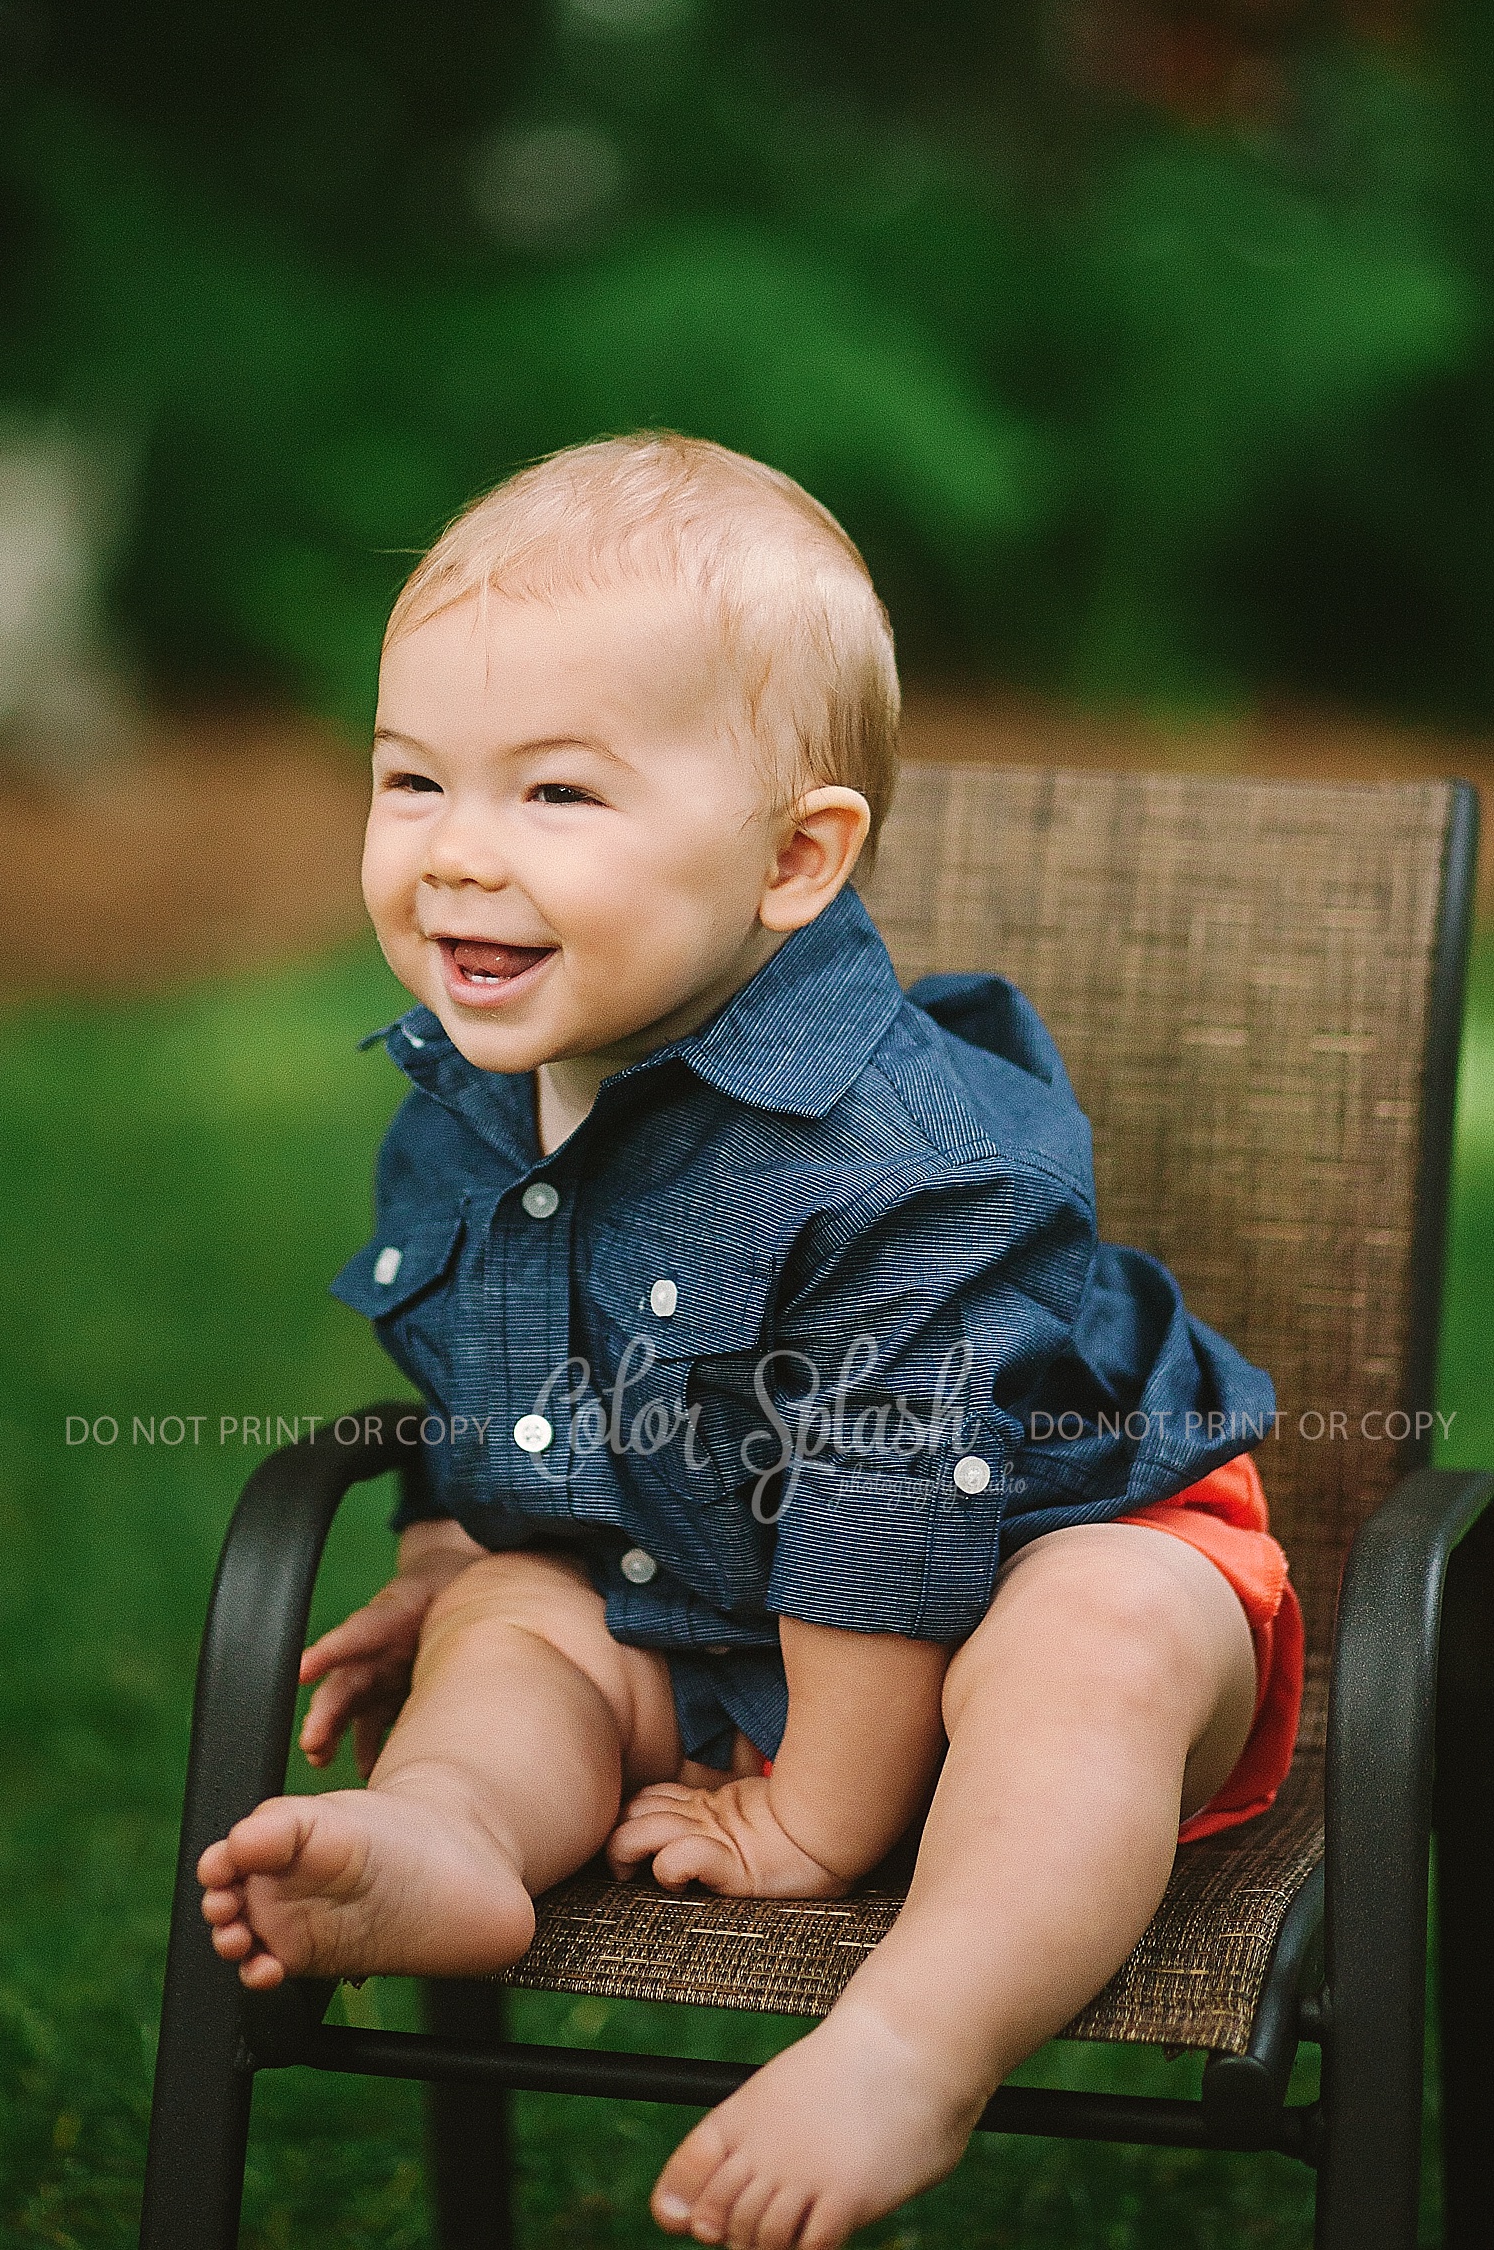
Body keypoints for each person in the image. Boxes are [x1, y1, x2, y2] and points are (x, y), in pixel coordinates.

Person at [196, 432, 1302, 2250]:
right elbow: (499, 1379)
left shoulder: (904, 1159)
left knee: (1100, 1639)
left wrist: (812, 1826)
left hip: (1024, 1570)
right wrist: (461, 1550)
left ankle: (913, 2040)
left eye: (556, 795)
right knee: (518, 1633)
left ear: (794, 858)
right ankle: (456, 1832)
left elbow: (887, 1504)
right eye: (413, 780)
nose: (460, 853)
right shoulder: (472, 1091)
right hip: (702, 1602)